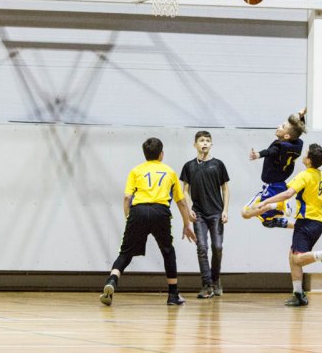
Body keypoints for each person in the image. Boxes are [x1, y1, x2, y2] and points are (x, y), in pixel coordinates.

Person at [99, 137, 196, 307]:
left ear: (145, 154)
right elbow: (181, 202)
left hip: (138, 211)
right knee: (167, 251)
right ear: (161, 154)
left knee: (125, 252)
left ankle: (112, 280)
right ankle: (173, 295)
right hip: (160, 212)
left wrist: (129, 218)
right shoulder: (169, 172)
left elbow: (127, 197)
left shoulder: (136, 171)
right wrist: (187, 224)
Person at [249, 143, 322, 307]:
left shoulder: (305, 175)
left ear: (308, 160)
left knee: (298, 259)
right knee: (293, 256)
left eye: (306, 154)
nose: (304, 155)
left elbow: (288, 193)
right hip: (318, 223)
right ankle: (298, 294)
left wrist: (266, 202)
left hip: (306, 222)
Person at [180, 131, 230, 299]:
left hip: (216, 213)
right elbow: (185, 190)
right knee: (202, 248)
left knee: (217, 248)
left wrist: (225, 210)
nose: (205, 143)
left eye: (208, 140)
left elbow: (225, 188)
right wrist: (189, 209)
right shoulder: (189, 166)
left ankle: (216, 280)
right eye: (201, 140)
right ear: (195, 145)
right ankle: (206, 285)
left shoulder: (218, 164)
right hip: (199, 214)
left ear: (211, 144)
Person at [241, 108, 307, 229]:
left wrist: (258, 155)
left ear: (286, 135)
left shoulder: (279, 147)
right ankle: (279, 209)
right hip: (281, 185)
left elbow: (270, 151)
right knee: (268, 221)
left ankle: (279, 204)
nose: (278, 126)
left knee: (245, 213)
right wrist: (301, 116)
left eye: (282, 126)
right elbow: (298, 132)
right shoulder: (296, 145)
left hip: (272, 187)